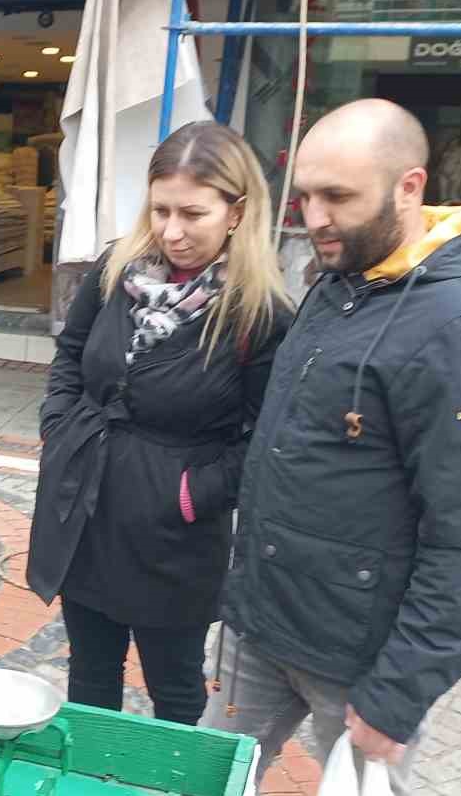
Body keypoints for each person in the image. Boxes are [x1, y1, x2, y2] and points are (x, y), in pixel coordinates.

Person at [202, 99, 461, 796]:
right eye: (306, 195)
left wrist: (400, 694)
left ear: (409, 186)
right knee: (202, 791)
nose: (314, 216)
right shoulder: (344, 276)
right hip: (263, 622)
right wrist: (238, 604)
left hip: (357, 657)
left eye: (338, 197)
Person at [28, 121, 293, 725]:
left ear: (236, 211)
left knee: (174, 688)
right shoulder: (115, 270)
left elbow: (268, 438)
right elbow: (71, 353)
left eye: (192, 214)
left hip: (172, 538)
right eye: (160, 210)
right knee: (90, 674)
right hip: (86, 510)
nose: (172, 232)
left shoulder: (258, 312)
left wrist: (192, 495)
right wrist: (58, 426)